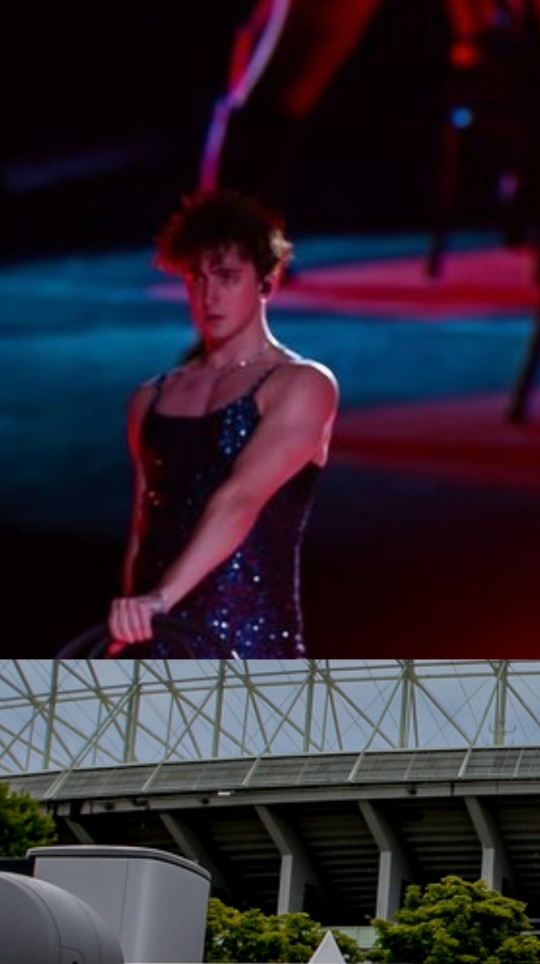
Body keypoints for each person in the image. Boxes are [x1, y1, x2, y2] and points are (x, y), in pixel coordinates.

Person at [106, 188, 337, 658]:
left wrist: (159, 601)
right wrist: (131, 631)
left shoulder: (299, 385)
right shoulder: (151, 398)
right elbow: (141, 529)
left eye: (227, 277)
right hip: (157, 648)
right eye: (197, 278)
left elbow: (240, 500)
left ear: (267, 282)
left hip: (248, 651)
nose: (209, 296)